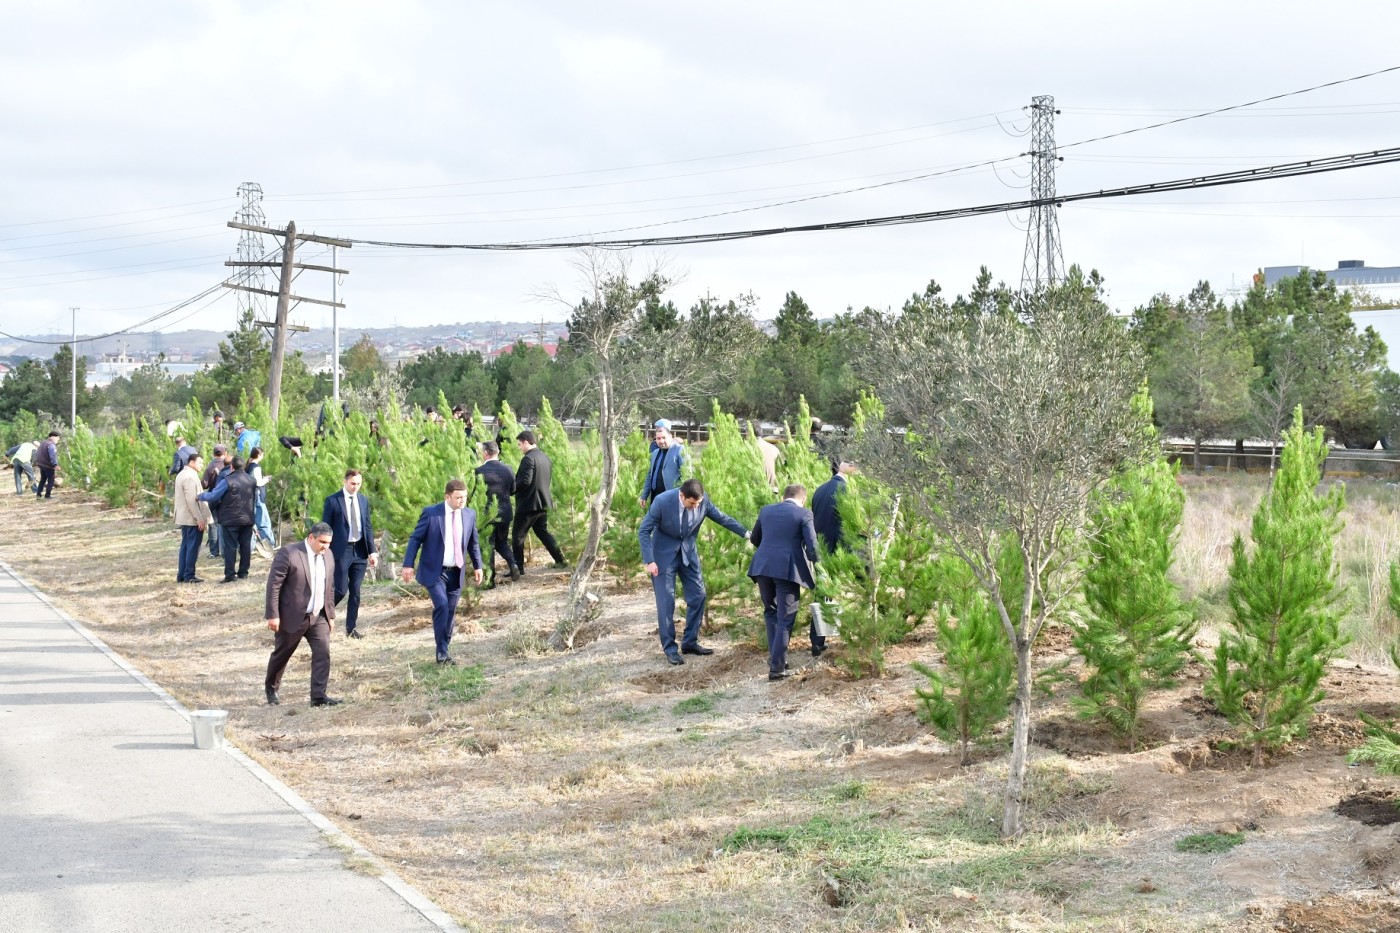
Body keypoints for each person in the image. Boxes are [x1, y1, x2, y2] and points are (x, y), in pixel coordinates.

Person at [638, 478, 749, 665]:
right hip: (662, 557)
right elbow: (644, 530)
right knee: (666, 603)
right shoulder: (662, 502)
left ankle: (690, 642)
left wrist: (747, 534)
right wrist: (649, 560)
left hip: (688, 554)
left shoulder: (702, 501)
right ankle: (670, 649)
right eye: (692, 504)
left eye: (698, 504)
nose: (696, 507)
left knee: (698, 596)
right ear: (682, 496)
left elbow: (723, 518)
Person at [402, 479, 484, 665]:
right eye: (458, 498)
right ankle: (442, 652)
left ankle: (444, 646)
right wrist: (408, 564)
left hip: (456, 571)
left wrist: (478, 565)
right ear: (447, 496)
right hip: (435, 571)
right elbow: (415, 539)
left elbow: (473, 543)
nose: (462, 501)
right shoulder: (432, 514)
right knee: (442, 605)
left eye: (464, 497)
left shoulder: (469, 514)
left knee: (451, 610)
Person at [263, 522, 341, 707]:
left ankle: (318, 696)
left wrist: (330, 614)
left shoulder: (328, 555)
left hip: (318, 615)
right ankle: (271, 688)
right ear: (311, 537)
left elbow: (329, 587)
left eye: (329, 542)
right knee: (282, 654)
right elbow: (274, 585)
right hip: (292, 616)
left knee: (323, 653)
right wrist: (273, 614)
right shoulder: (289, 553)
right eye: (322, 542)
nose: (326, 546)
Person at [748, 484, 819, 681]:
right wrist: (820, 567)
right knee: (786, 617)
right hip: (786, 569)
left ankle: (776, 659)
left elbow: (755, 538)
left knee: (770, 611)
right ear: (803, 499)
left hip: (762, 566)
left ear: (784, 498)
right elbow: (812, 546)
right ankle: (777, 668)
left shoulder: (766, 510)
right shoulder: (804, 514)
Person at [809, 459, 858, 657]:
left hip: (822, 549)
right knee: (864, 589)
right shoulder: (847, 491)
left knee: (822, 594)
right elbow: (852, 525)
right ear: (840, 466)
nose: (856, 466)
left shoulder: (819, 490)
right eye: (851, 462)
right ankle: (867, 634)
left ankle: (817, 641)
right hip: (843, 552)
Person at [322, 469, 378, 638]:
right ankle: (321, 615)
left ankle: (351, 629)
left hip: (360, 550)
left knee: (356, 591)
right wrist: (324, 549)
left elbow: (367, 526)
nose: (355, 487)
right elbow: (326, 526)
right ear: (345, 481)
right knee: (340, 589)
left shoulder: (363, 500)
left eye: (358, 484)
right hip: (341, 550)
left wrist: (373, 551)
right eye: (353, 483)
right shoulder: (333, 501)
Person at [511, 430, 567, 571]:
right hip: (544, 503)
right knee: (543, 532)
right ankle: (560, 560)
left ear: (525, 442)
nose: (519, 448)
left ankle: (518, 569)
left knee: (517, 537)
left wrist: (510, 489)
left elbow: (525, 481)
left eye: (519, 444)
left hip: (529, 504)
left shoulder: (528, 459)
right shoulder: (544, 457)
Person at [198, 456, 257, 583]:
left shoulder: (227, 481)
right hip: (247, 518)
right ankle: (243, 573)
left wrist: (200, 496)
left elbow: (214, 495)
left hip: (230, 519)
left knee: (230, 547)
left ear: (231, 467)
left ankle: (230, 575)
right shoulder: (252, 480)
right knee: (245, 546)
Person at [474, 441, 521, 587]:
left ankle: (490, 581)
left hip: (488, 514)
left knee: (488, 545)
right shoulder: (508, 469)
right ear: (497, 452)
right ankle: (513, 564)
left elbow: (475, 493)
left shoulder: (479, 471)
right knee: (501, 542)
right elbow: (513, 490)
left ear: (485, 453)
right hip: (505, 512)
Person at [174, 453, 212, 584]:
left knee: (185, 546)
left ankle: (182, 574)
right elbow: (192, 501)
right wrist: (200, 518)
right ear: (191, 462)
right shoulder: (190, 477)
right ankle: (189, 574)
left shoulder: (182, 474)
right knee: (192, 547)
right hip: (191, 518)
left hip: (185, 517)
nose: (202, 465)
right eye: (200, 463)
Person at [638, 419, 686, 507]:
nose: (661, 441)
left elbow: (686, 475)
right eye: (658, 438)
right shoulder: (655, 453)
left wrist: (681, 496)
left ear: (670, 437)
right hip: (655, 498)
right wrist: (644, 495)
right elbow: (650, 475)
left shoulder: (679, 450)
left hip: (672, 499)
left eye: (664, 438)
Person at [202, 445, 232, 558]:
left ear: (214, 454)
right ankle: (225, 549)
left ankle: (214, 551)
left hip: (213, 499)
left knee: (213, 525)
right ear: (225, 452)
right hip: (227, 500)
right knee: (224, 525)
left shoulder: (210, 466)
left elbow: (204, 484)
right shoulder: (230, 465)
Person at [246, 447, 275, 557]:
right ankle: (269, 544)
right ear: (259, 455)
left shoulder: (248, 466)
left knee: (253, 522)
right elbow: (258, 483)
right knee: (263, 521)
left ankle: (252, 546)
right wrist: (266, 480)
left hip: (251, 497)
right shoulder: (256, 467)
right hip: (257, 496)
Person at [33, 431, 60, 500]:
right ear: (53, 437)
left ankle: (38, 495)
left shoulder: (43, 443)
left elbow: (37, 453)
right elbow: (52, 456)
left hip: (41, 464)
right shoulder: (51, 445)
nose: (58, 440)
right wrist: (55, 465)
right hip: (48, 465)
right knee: (51, 480)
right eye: (57, 438)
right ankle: (47, 495)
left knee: (43, 479)